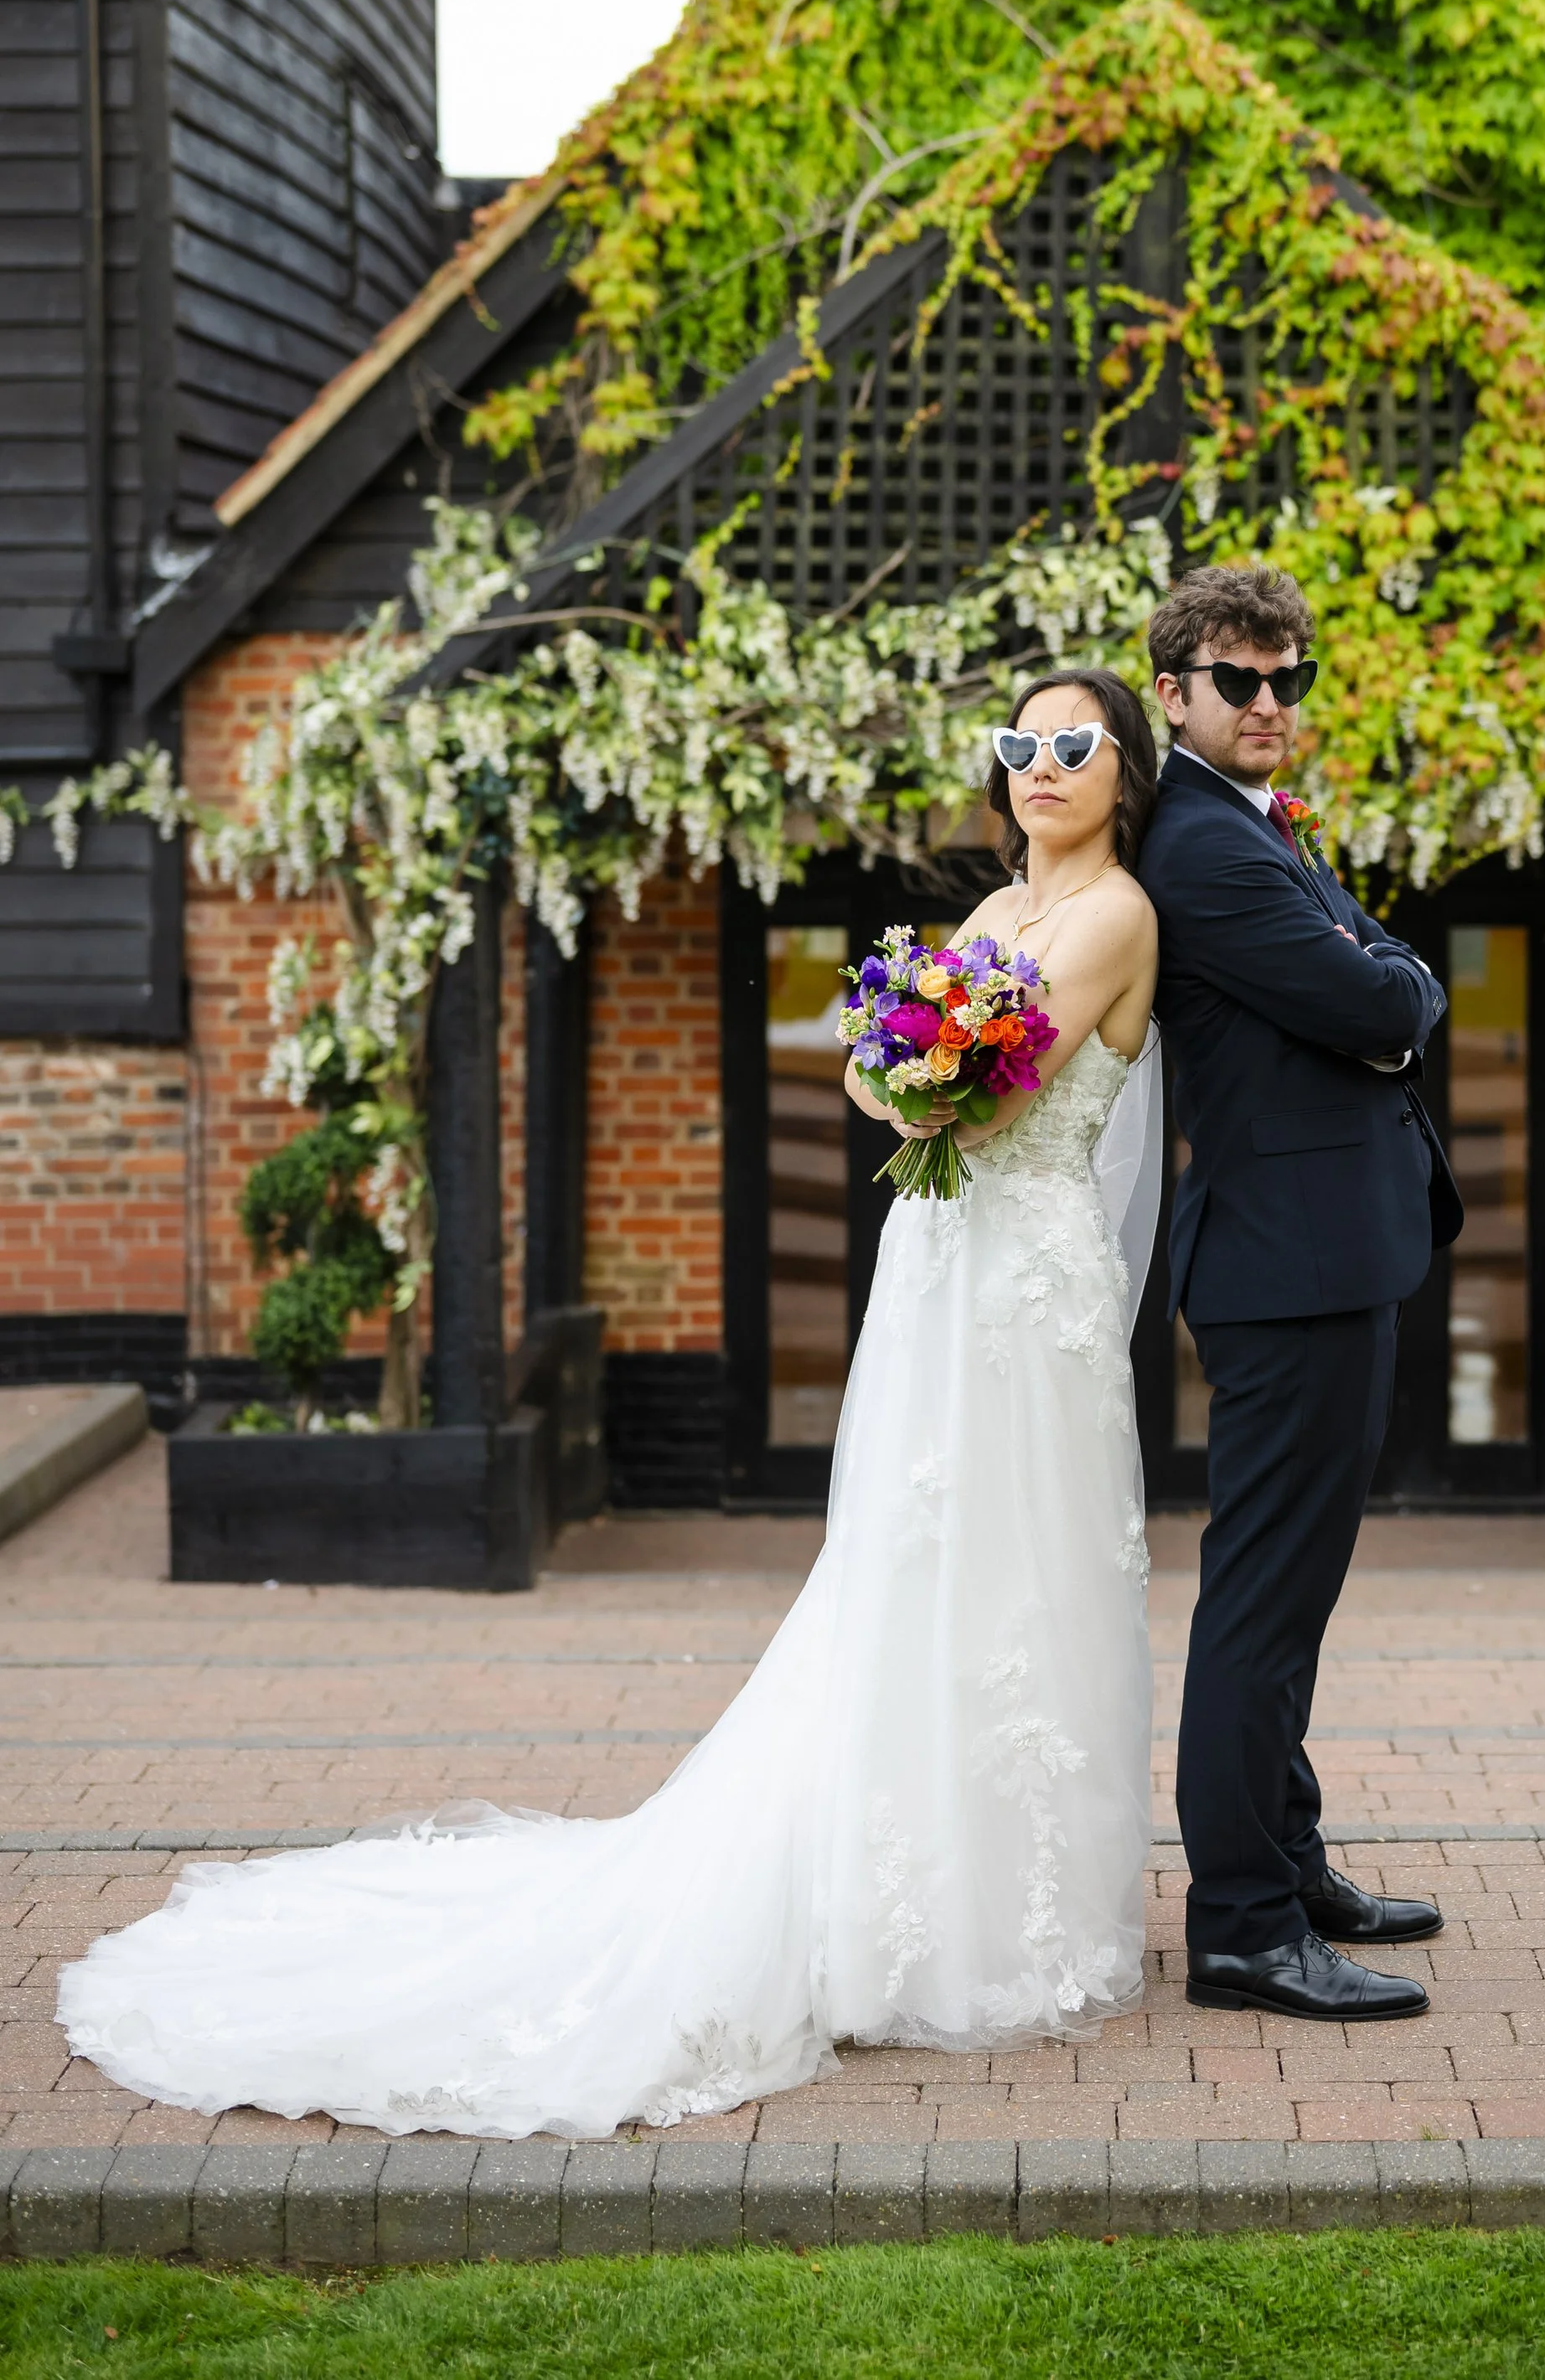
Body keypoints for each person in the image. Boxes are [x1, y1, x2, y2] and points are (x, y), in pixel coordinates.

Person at [57, 670, 1163, 2139]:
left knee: (1022, 1578)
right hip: (942, 1272)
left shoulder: (1115, 914)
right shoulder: (989, 915)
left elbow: (992, 1100)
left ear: (1125, 772)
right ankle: (902, 1897)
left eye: (1073, 745)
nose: (1040, 766)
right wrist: (910, 1071)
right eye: (1020, 744)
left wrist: (917, 1077)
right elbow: (876, 1069)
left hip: (1032, 1292)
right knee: (910, 1567)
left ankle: (1001, 1913)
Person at [1138, 565, 1449, 2022]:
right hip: (1290, 1262)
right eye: (1236, 679)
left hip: (1324, 1254)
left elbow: (1387, 970)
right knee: (1259, 1604)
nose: (1268, 703)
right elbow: (1388, 998)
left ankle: (1292, 1858)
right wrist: (1389, 1006)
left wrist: (1385, 992)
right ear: (1174, 693)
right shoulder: (1200, 848)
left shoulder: (1255, 830)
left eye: (1286, 679)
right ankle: (1245, 1925)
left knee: (1290, 1597)